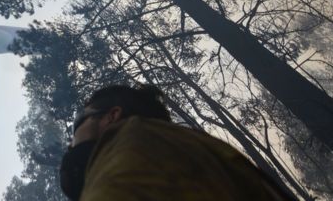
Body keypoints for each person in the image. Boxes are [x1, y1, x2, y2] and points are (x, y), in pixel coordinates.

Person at [59, 85, 294, 201]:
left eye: (76, 126)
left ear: (111, 116)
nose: (71, 143)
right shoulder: (187, 151)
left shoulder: (133, 148)